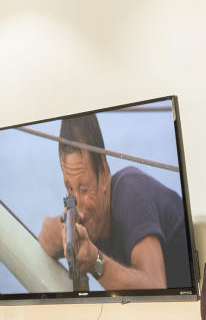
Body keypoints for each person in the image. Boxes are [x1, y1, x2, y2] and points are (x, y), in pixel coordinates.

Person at [38, 110, 190, 292]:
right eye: (70, 188)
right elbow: (46, 234)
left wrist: (96, 263)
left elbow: (156, 286)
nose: (79, 205)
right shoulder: (88, 216)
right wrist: (65, 231)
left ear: (103, 172)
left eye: (84, 188)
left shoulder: (131, 193)